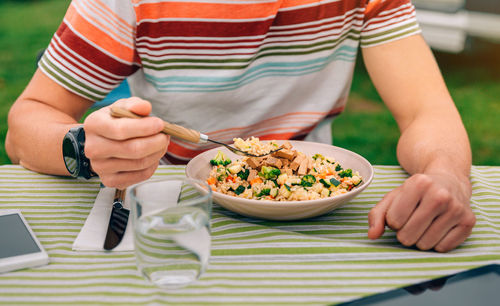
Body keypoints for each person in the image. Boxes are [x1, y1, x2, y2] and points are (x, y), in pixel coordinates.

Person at [5, 0, 475, 252]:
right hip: (177, 214)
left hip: (322, 220)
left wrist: (446, 174)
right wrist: (86, 148)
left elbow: (426, 112)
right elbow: (26, 126)